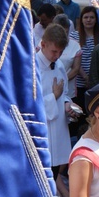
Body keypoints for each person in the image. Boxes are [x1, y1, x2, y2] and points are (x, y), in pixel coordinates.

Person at [36, 24, 72, 179]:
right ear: (43, 45)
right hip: (42, 131)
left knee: (55, 170)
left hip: (58, 129)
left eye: (61, 52)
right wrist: (53, 97)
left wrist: (67, 104)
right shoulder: (32, 67)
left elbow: (64, 93)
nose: (57, 56)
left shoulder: (59, 64)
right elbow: (30, 104)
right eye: (54, 51)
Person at [71, 6, 99, 98]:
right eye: (86, 17)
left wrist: (93, 79)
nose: (89, 20)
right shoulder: (74, 36)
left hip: (97, 82)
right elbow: (72, 59)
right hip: (78, 83)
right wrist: (85, 77)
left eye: (92, 17)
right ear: (81, 20)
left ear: (96, 20)